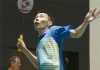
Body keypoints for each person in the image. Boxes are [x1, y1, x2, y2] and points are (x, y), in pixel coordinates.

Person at [17, 9, 100, 70]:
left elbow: (76, 33)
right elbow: (39, 64)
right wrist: (25, 50)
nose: (37, 18)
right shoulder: (39, 41)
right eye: (36, 17)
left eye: (41, 16)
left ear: (49, 23)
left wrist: (85, 22)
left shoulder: (54, 31)